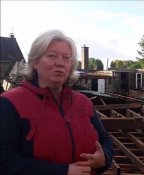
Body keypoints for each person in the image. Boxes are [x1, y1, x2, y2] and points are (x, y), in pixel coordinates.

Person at [0, 29, 114, 175]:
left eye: (66, 58)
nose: (60, 63)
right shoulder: (10, 103)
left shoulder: (83, 103)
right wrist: (62, 171)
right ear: (35, 62)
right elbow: (4, 161)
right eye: (51, 56)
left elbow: (105, 140)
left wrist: (104, 157)